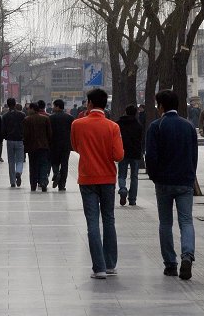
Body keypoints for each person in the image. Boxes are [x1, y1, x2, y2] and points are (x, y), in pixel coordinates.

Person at [70, 88, 123, 279]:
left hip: (87, 178)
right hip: (108, 178)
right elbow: (118, 155)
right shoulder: (113, 127)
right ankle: (110, 264)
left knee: (92, 222)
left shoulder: (77, 124)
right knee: (109, 219)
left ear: (89, 103)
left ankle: (99, 268)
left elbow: (75, 147)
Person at [145, 89, 198, 280]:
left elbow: (150, 156)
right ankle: (187, 255)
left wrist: (154, 175)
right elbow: (194, 155)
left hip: (164, 182)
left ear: (161, 106)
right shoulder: (189, 126)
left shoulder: (156, 126)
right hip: (185, 181)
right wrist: (191, 175)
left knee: (166, 223)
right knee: (186, 221)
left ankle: (170, 264)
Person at [117, 104, 143, 206]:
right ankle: (132, 199)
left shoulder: (118, 124)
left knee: (122, 175)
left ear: (125, 112)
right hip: (135, 153)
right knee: (134, 177)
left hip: (122, 152)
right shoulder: (138, 125)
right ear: (136, 113)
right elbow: (140, 140)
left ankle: (123, 189)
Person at [23, 102, 52, 192]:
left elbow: (25, 135)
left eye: (29, 109)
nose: (28, 110)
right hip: (44, 146)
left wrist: (25, 146)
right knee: (43, 165)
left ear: (32, 109)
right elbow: (49, 134)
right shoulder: (45, 119)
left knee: (33, 166)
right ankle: (43, 182)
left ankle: (33, 185)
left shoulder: (27, 120)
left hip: (32, 147)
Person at [49, 98, 74, 191]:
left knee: (54, 162)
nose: (53, 108)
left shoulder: (51, 118)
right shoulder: (70, 118)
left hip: (54, 144)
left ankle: (56, 173)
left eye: (54, 106)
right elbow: (72, 131)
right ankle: (62, 185)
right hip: (66, 145)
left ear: (57, 106)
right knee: (64, 164)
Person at [2, 97, 26, 187]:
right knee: (20, 159)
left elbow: (3, 129)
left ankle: (12, 181)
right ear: (15, 104)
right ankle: (18, 172)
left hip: (10, 140)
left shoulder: (5, 116)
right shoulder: (22, 115)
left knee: (11, 161)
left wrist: (5, 137)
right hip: (20, 140)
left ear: (8, 105)